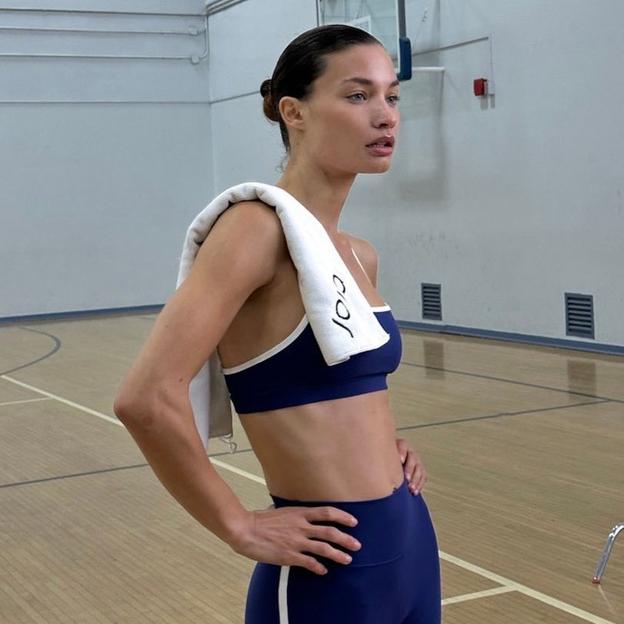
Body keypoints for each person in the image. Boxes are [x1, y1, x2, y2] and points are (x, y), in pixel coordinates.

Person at [113, 24, 440, 624]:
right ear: (294, 112)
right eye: (357, 95)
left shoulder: (357, 254)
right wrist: (237, 525)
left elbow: (348, 394)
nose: (386, 116)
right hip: (330, 561)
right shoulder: (254, 230)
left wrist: (380, 447)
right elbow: (145, 399)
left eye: (392, 96)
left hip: (412, 538)